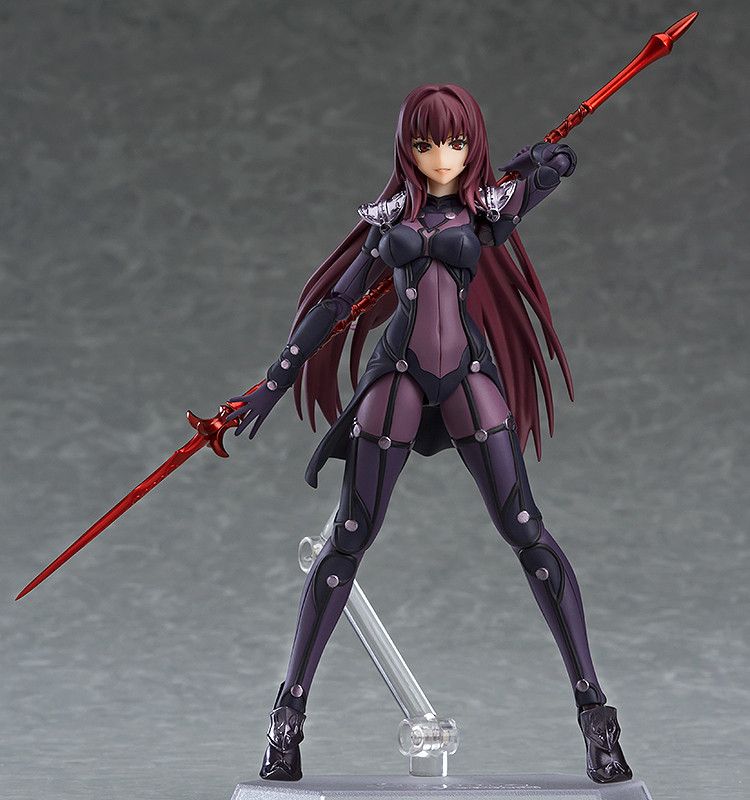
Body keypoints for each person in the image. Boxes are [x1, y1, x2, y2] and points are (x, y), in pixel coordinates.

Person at [227, 83, 632, 785]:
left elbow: (535, 186)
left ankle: (596, 715)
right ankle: (286, 719)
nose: (441, 155)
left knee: (526, 528)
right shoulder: (390, 219)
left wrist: (549, 166)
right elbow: (337, 301)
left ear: (472, 144)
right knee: (349, 535)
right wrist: (274, 378)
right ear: (406, 148)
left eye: (455, 141)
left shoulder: (487, 210)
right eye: (425, 142)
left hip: (468, 372)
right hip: (400, 375)